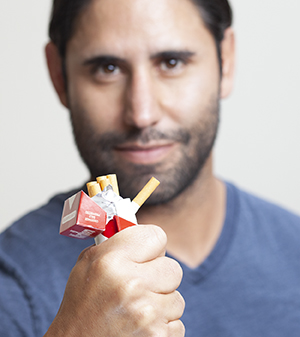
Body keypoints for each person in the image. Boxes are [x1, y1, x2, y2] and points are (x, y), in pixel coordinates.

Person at [1, 0, 300, 336]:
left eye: (171, 62)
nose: (141, 114)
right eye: (107, 68)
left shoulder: (295, 249)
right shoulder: (11, 285)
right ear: (59, 75)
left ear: (225, 61)